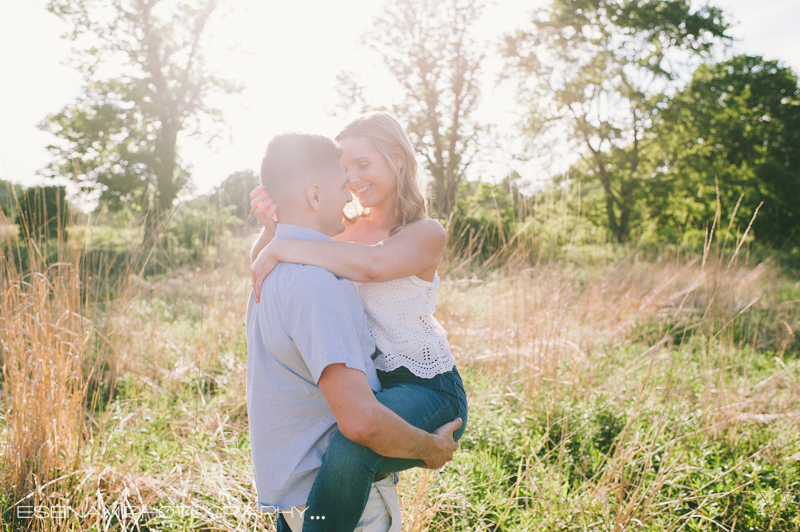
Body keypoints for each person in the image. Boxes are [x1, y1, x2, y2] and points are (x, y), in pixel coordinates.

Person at [249, 111, 469, 532]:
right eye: (345, 168)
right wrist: (272, 232)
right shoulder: (338, 228)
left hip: (426, 385)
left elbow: (374, 265)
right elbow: (267, 276)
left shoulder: (425, 232)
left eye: (363, 164)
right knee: (350, 440)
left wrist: (283, 245)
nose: (351, 178)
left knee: (352, 449)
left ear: (397, 160)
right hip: (374, 384)